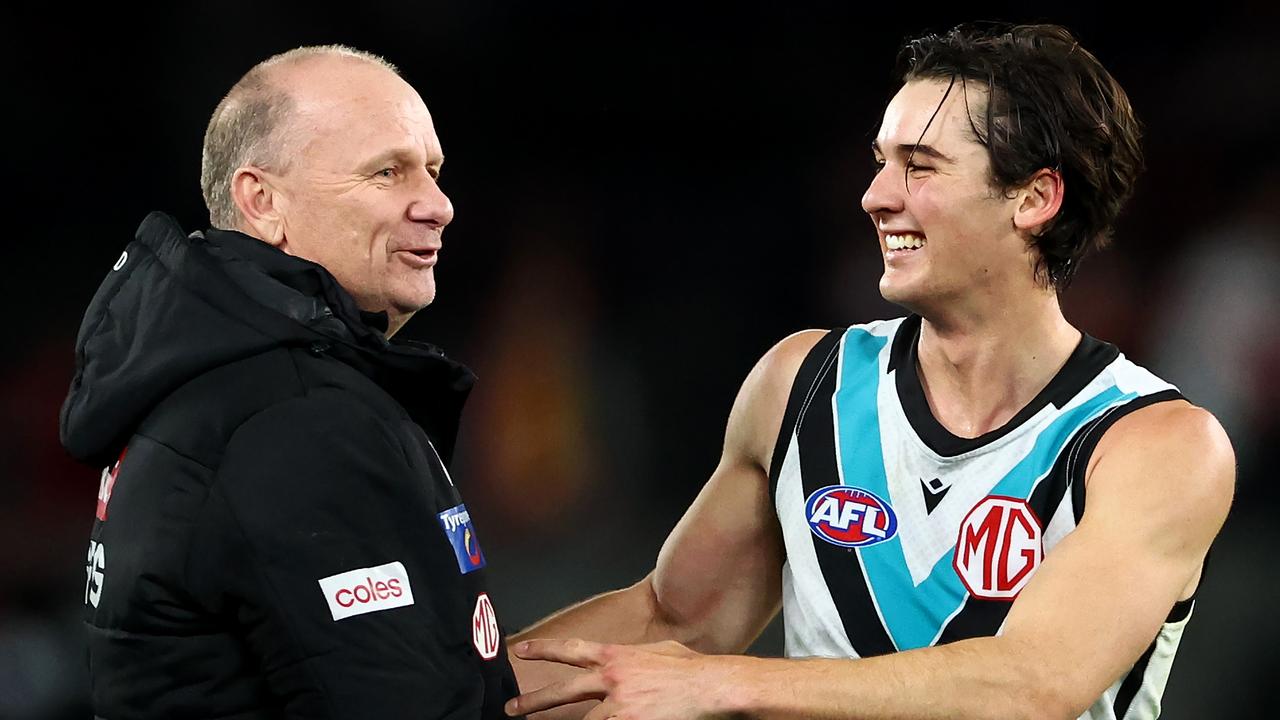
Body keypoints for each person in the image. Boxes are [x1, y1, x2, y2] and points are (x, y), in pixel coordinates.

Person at [505, 23, 1235, 720]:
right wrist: (443, 688)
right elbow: (673, 621)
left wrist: (719, 684)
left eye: (920, 167)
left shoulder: (1155, 444)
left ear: (1035, 198)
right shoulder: (802, 382)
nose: (877, 196)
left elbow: (1029, 684)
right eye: (881, 163)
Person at [60, 45, 523, 718]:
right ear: (262, 201)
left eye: (433, 170)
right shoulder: (296, 417)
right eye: (387, 172)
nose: (438, 204)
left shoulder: (211, 377)